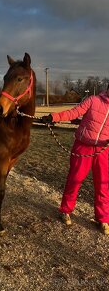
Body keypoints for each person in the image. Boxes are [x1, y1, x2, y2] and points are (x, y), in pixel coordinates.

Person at [42, 84, 109, 235]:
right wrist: (54, 117)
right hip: (83, 145)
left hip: (103, 150)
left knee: (103, 183)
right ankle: (65, 210)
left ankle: (103, 218)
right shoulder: (93, 100)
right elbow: (74, 112)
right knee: (75, 179)